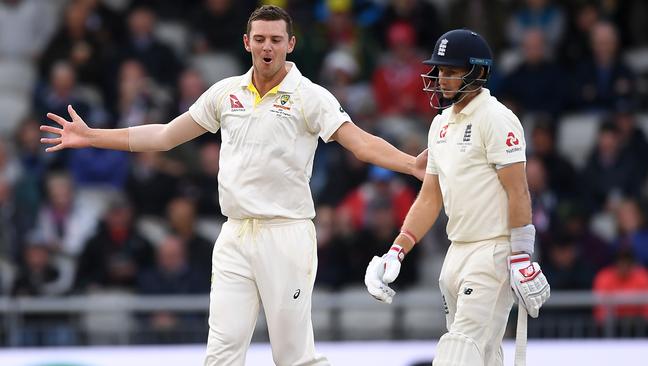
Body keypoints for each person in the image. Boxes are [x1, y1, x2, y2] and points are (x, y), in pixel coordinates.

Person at [40, 5, 425, 366]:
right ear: (247, 43)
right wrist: (93, 137)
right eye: (260, 39)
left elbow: (360, 143)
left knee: (293, 357)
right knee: (221, 354)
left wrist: (410, 164)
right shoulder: (226, 93)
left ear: (290, 45)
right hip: (235, 236)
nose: (267, 47)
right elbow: (164, 136)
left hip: (286, 234)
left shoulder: (311, 97)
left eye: (276, 39)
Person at [364, 29, 551, 365]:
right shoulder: (440, 125)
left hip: (492, 251)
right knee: (483, 355)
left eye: (451, 71)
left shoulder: (496, 118)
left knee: (459, 350)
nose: (441, 79)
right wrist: (397, 249)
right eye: (439, 71)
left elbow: (518, 189)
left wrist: (521, 253)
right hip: (456, 252)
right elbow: (429, 198)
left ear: (477, 72)